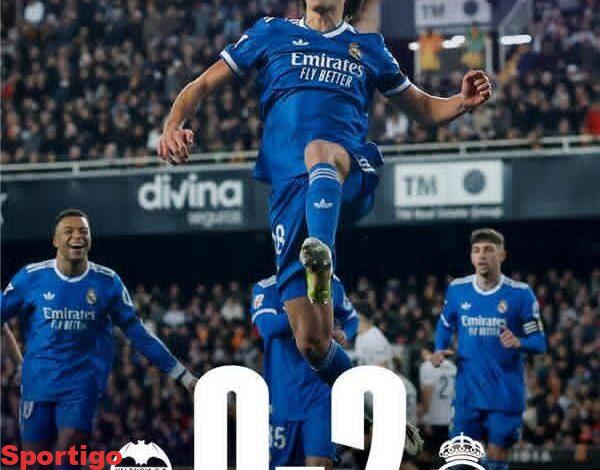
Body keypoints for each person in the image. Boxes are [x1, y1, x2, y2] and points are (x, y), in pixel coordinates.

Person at [157, 0, 491, 426]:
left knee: (319, 150)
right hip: (290, 195)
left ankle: (321, 253)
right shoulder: (270, 33)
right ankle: (376, 416)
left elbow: (424, 110)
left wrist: (461, 102)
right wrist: (173, 124)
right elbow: (202, 84)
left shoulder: (368, 47)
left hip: (347, 172)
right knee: (312, 343)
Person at [1, 209, 197, 469]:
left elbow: (140, 335)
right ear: (55, 240)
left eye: (83, 231)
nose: (77, 236)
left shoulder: (107, 282)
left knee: (65, 459)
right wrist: (19, 363)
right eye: (69, 231)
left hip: (81, 386)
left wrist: (184, 376)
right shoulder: (31, 277)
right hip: (37, 383)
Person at [431, 228, 547, 470]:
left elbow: (539, 342)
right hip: (467, 393)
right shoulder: (458, 289)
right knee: (459, 461)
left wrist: (520, 343)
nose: (482, 255)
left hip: (505, 394)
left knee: (496, 458)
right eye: (476, 250)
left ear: (502, 255)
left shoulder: (520, 294)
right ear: (471, 257)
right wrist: (439, 348)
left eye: (488, 250)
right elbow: (444, 324)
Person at [250, 275, 359, 470]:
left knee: (320, 464)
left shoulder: (331, 282)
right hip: (284, 394)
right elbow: (267, 327)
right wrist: (310, 316)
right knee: (284, 465)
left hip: (320, 392)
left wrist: (345, 333)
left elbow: (351, 318)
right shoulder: (267, 287)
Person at [419, 349, 456, 467]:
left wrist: (424, 416)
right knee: (447, 458)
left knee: (430, 457)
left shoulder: (428, 366)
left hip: (434, 419)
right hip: (451, 418)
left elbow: (427, 393)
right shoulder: (452, 366)